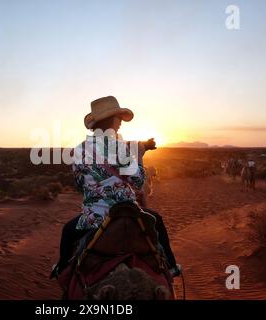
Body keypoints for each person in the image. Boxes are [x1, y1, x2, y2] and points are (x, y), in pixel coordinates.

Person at [50, 96, 180, 279]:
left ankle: (61, 269)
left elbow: (80, 185)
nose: (120, 123)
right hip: (127, 212)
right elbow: (137, 181)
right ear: (111, 119)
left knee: (68, 232)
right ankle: (172, 267)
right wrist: (140, 156)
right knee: (157, 221)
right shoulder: (119, 148)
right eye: (118, 118)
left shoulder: (79, 150)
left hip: (93, 217)